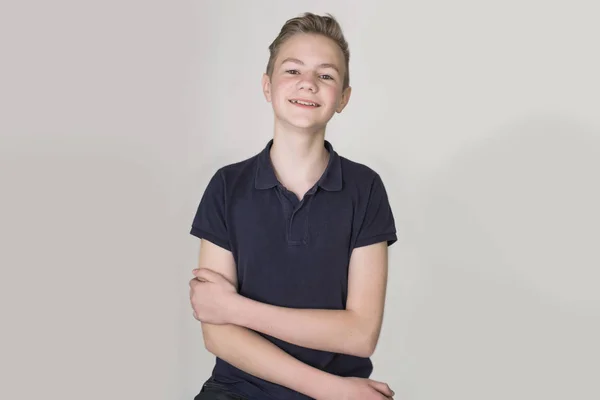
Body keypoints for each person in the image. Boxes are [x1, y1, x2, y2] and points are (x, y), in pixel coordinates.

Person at [189, 12, 397, 400]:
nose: (308, 83)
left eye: (326, 75)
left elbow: (360, 334)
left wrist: (234, 308)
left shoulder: (365, 188)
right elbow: (215, 330)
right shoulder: (226, 186)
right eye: (292, 70)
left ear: (343, 98)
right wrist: (330, 389)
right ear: (267, 86)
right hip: (240, 391)